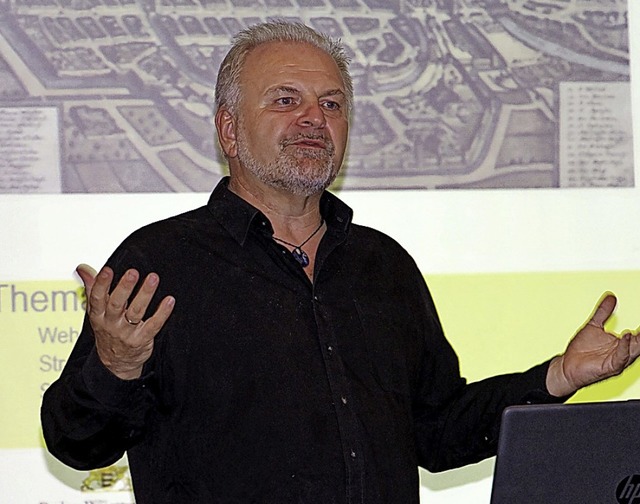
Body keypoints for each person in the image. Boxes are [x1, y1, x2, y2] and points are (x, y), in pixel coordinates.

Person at [41, 21, 640, 504]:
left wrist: (556, 377)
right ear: (229, 128)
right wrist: (115, 367)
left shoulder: (383, 266)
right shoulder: (159, 263)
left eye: (331, 104)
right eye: (285, 100)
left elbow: (435, 431)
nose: (313, 119)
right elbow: (76, 444)